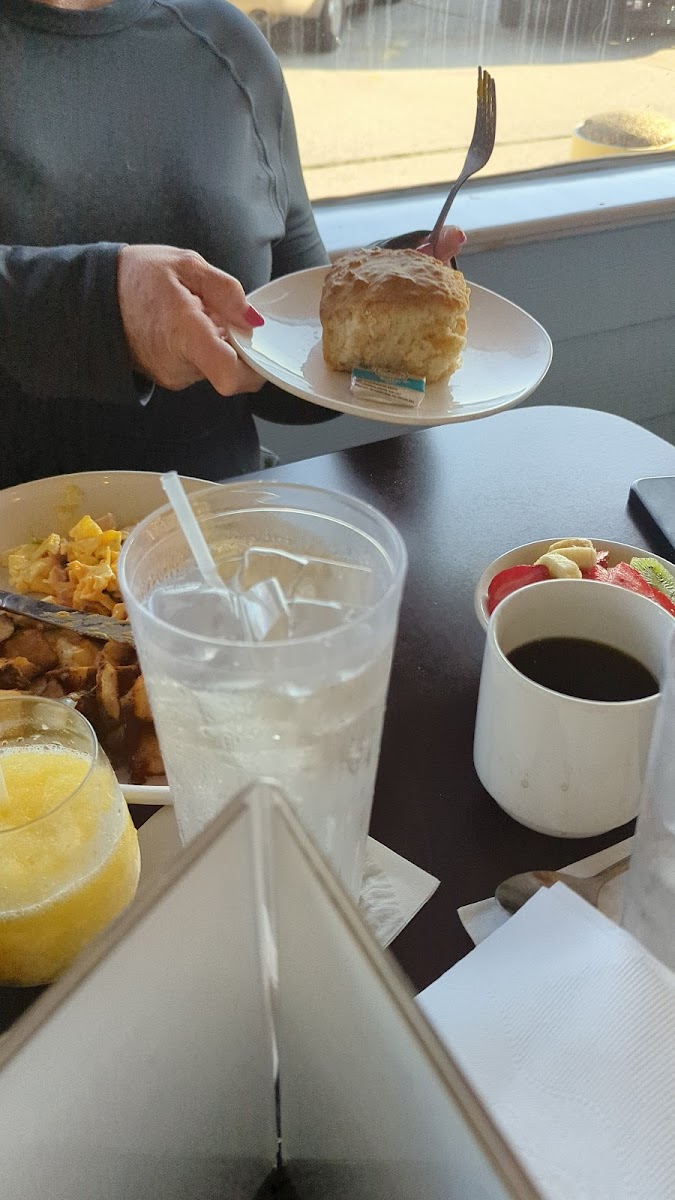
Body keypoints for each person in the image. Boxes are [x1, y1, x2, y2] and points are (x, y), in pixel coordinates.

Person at [0, 0, 464, 488]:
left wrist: (383, 298)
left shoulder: (226, 44)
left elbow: (289, 382)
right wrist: (100, 307)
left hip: (223, 523)